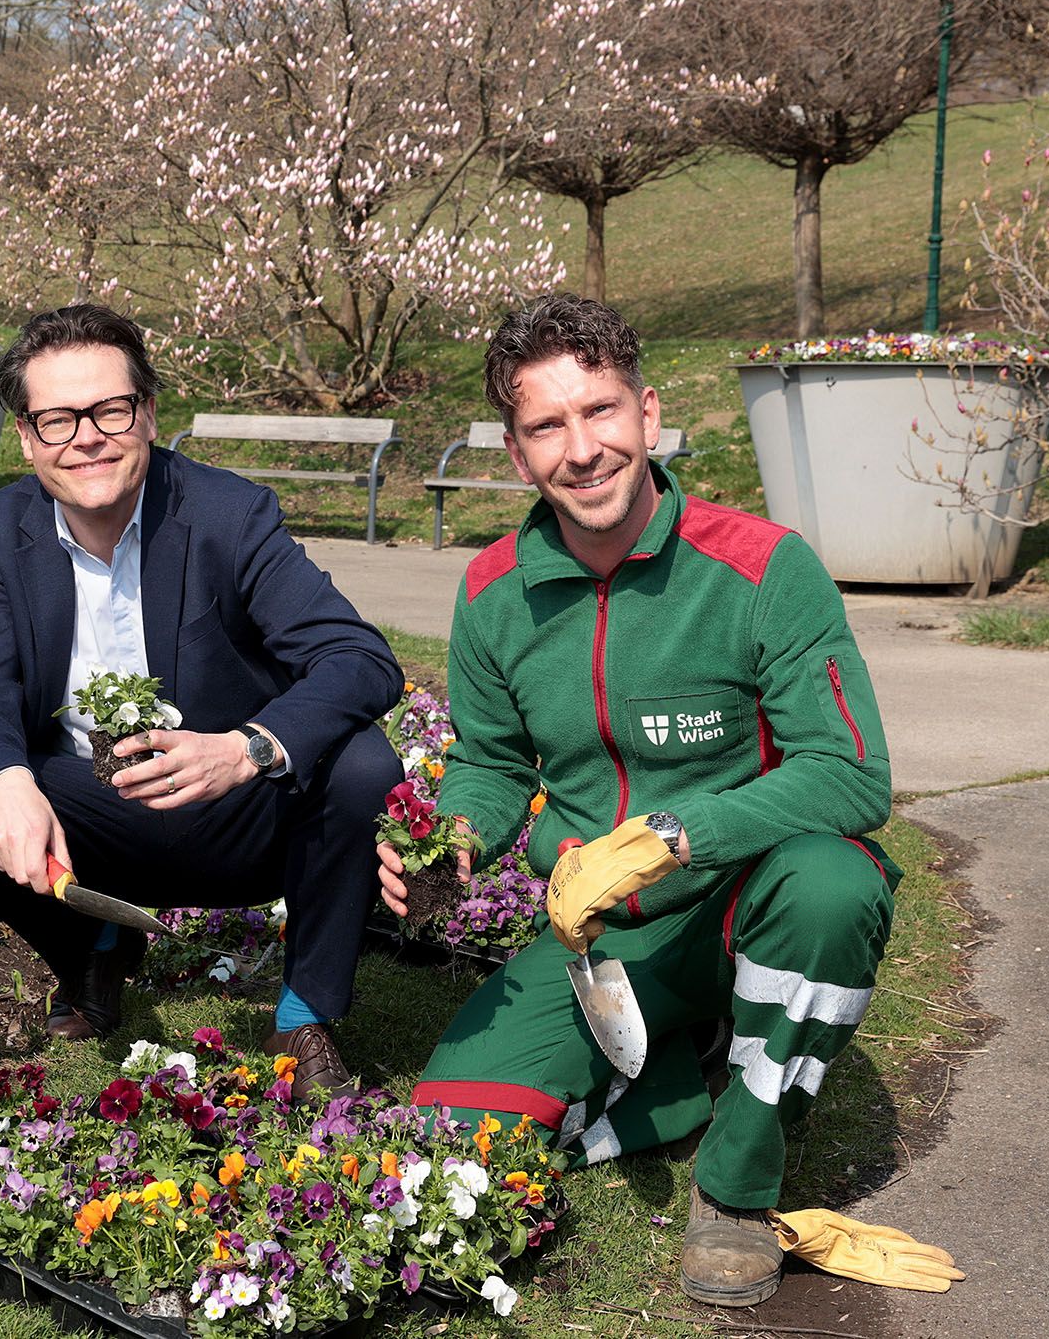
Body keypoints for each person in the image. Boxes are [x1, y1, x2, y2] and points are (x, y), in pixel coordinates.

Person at [381, 294, 898, 1307]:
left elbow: (850, 773)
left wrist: (672, 834)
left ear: (648, 415)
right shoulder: (493, 591)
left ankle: (737, 1185)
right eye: (546, 426)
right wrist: (452, 840)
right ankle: (686, 1066)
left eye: (601, 412)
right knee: (450, 1138)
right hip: (598, 947)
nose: (581, 449)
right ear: (515, 451)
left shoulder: (760, 568)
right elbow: (489, 764)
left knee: (834, 885)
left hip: (748, 907)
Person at [0, 303, 403, 1092]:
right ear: (26, 437)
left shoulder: (228, 514)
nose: (86, 437)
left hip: (235, 807)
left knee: (360, 762)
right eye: (56, 419)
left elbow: (359, 656)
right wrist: (8, 784)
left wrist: (245, 748)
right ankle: (90, 951)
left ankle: (305, 1014)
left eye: (109, 409)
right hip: (92, 814)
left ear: (147, 413)